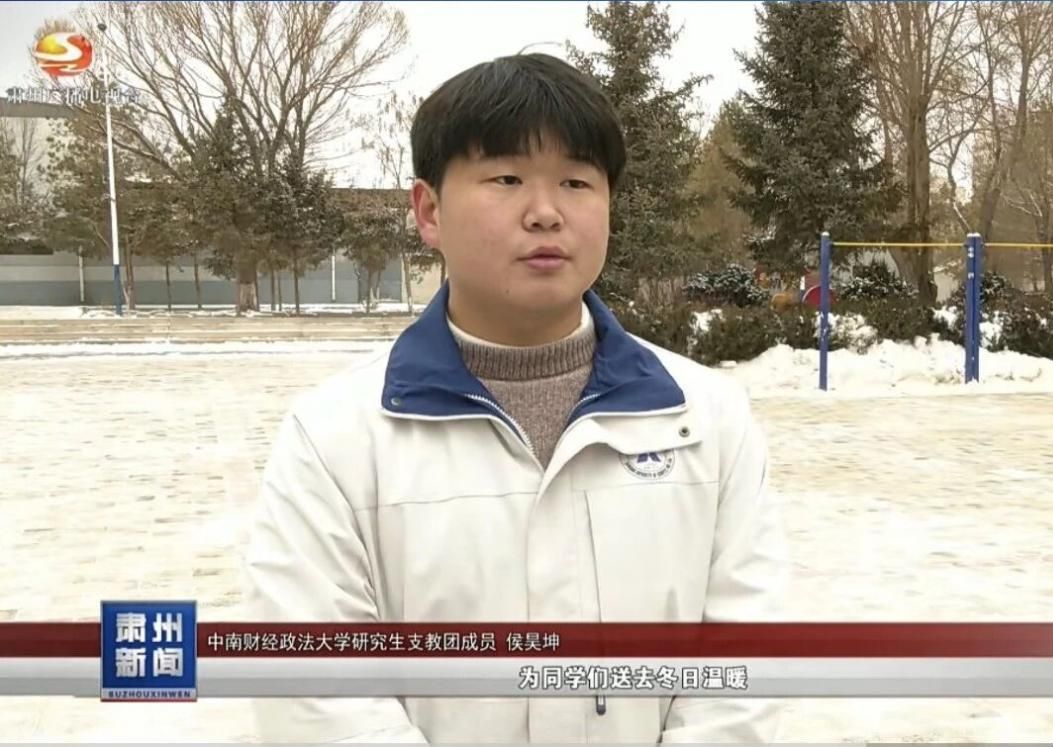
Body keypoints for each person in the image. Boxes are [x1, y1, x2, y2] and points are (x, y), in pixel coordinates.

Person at [242, 52, 788, 743]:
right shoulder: (335, 438)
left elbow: (742, 664)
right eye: (506, 178)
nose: (546, 213)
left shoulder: (707, 421)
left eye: (576, 182)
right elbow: (317, 690)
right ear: (429, 210)